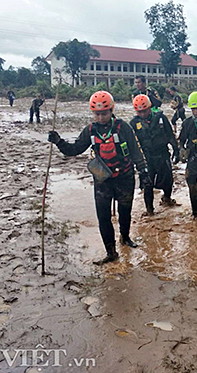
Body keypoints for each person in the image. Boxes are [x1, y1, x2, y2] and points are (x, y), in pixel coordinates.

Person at [47, 91, 149, 265]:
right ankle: (110, 252)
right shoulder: (89, 130)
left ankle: (125, 237)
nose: (101, 118)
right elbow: (75, 149)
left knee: (125, 212)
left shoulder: (123, 127)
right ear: (93, 113)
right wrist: (59, 142)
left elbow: (135, 150)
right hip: (103, 180)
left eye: (105, 113)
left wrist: (144, 171)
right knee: (103, 217)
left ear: (111, 110)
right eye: (97, 114)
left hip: (125, 176)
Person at [130, 94, 179, 215]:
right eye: (139, 112)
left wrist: (176, 149)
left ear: (150, 108)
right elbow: (131, 143)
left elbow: (170, 135)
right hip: (146, 157)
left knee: (168, 179)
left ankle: (167, 198)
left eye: (145, 111)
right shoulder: (134, 123)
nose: (142, 114)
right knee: (147, 183)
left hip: (162, 154)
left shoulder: (161, 118)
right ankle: (149, 210)